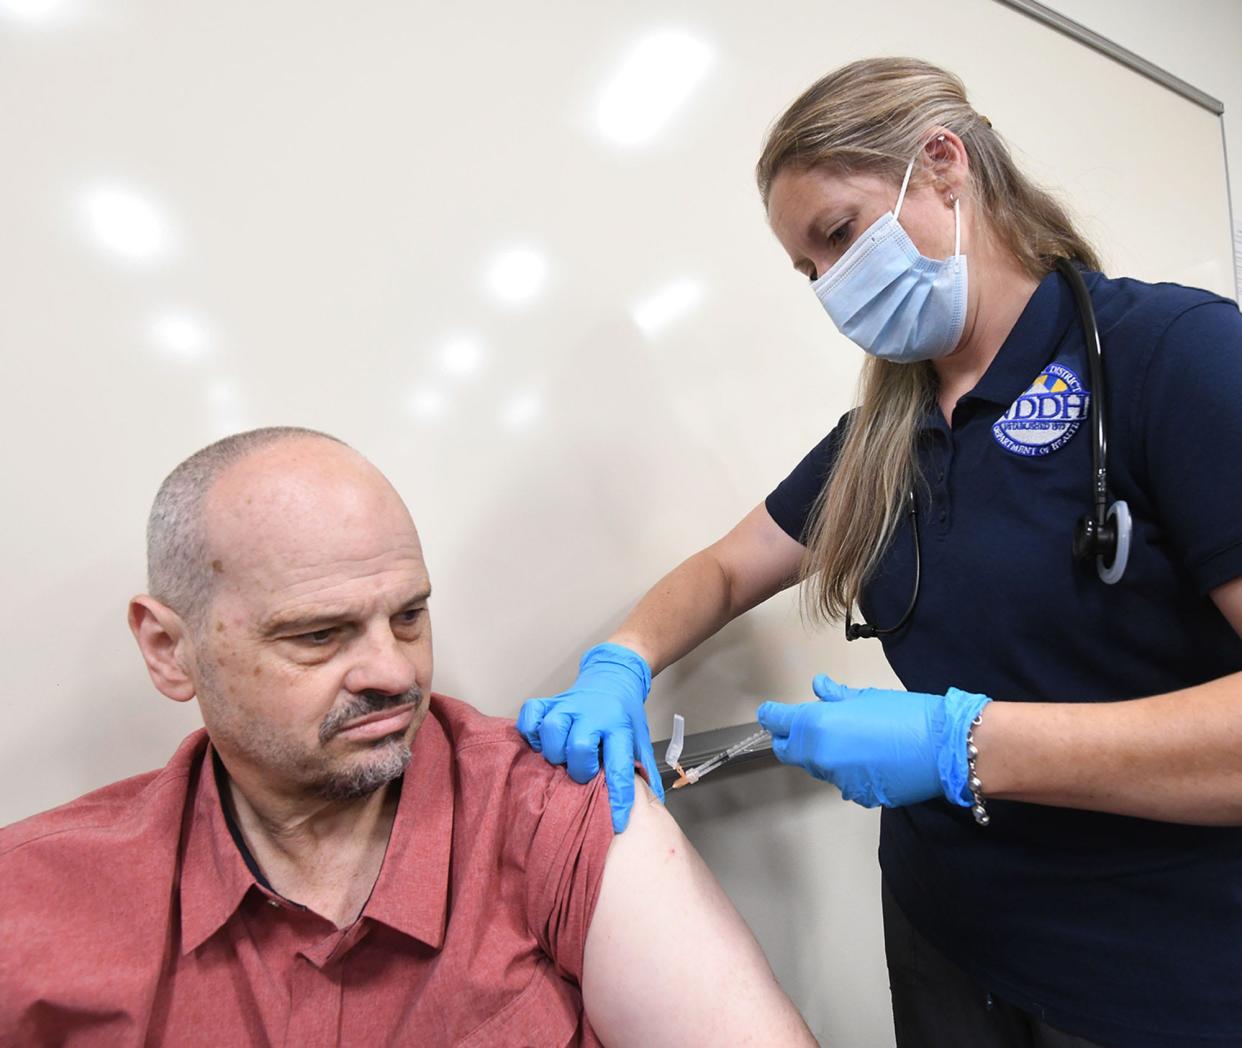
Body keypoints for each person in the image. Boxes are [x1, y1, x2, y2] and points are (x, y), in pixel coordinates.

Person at [517, 57, 1242, 1048]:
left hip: (1147, 970)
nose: (831, 287)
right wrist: (622, 659)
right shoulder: (884, 432)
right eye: (809, 271)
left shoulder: (1173, 356)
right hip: (947, 943)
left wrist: (962, 747)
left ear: (943, 165)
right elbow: (728, 568)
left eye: (839, 235)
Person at [0, 427, 814, 1047]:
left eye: (409, 615)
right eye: (319, 636)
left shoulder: (544, 813)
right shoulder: (33, 904)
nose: (393, 672)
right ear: (169, 649)